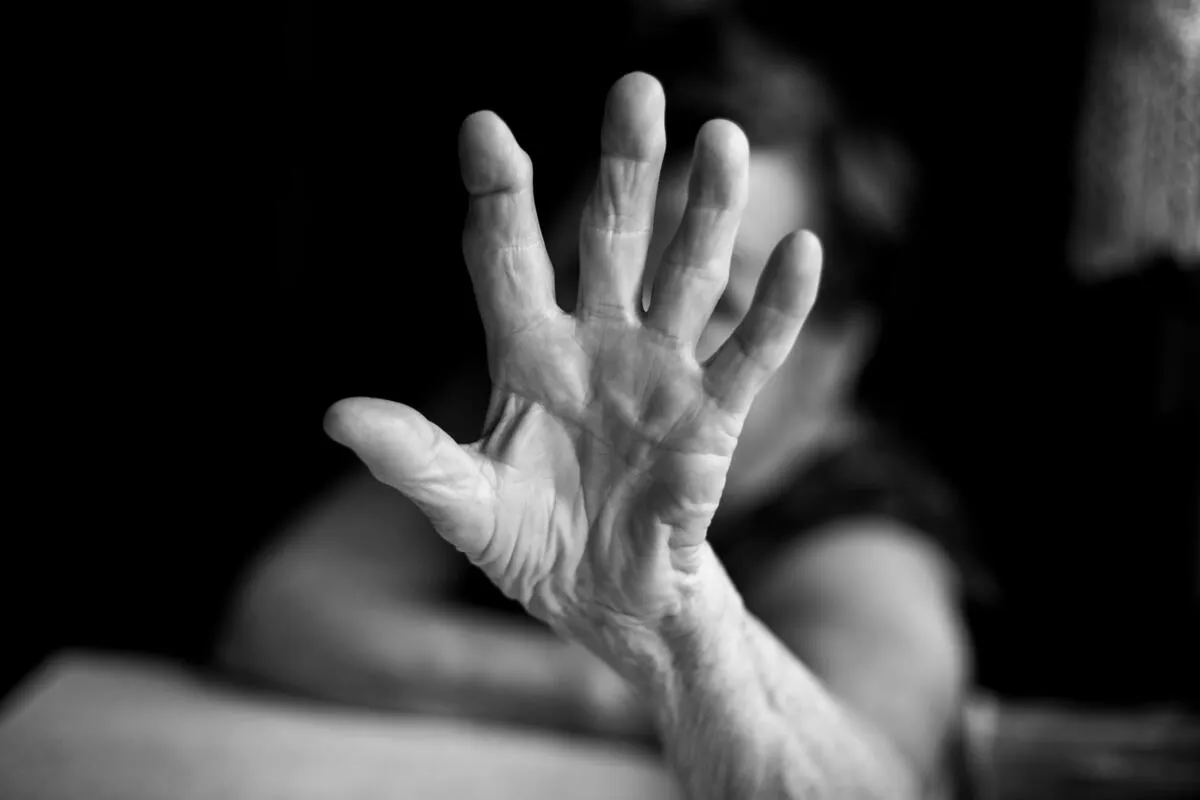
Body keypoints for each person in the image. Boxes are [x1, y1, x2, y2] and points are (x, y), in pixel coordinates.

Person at [217, 23, 971, 800]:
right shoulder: (535, 405)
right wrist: (620, 687)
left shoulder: (865, 535)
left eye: (714, 299)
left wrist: (679, 647)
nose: (632, 344)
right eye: (596, 267)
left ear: (834, 355)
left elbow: (873, 781)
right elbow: (283, 615)